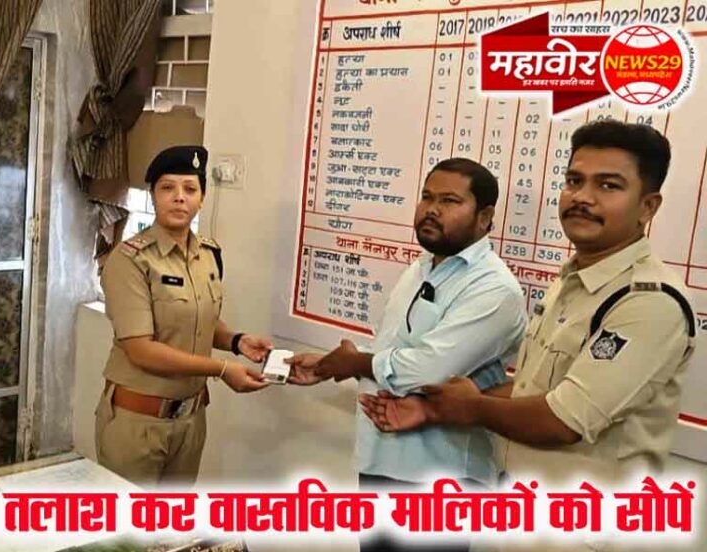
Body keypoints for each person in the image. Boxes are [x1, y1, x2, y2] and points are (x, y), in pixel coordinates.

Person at [362, 121, 696, 548]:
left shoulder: (649, 302)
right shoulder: (572, 282)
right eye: (574, 181)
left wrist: (470, 407)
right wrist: (434, 409)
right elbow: (532, 389)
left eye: (608, 185)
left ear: (648, 206)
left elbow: (562, 420)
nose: (583, 197)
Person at [288, 158, 528, 551]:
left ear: (484, 217)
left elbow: (426, 370)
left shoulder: (495, 289)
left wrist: (355, 363)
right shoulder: (421, 268)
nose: (432, 209)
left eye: (449, 201)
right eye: (427, 197)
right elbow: (395, 351)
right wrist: (330, 365)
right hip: (384, 462)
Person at [96, 145, 272, 487]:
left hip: (191, 421)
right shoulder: (130, 260)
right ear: (152, 195)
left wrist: (236, 342)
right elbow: (140, 349)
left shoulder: (209, 253)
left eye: (190, 189)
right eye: (167, 188)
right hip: (138, 423)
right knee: (129, 521)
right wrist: (222, 369)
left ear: (202, 199)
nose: (179, 197)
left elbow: (198, 322)